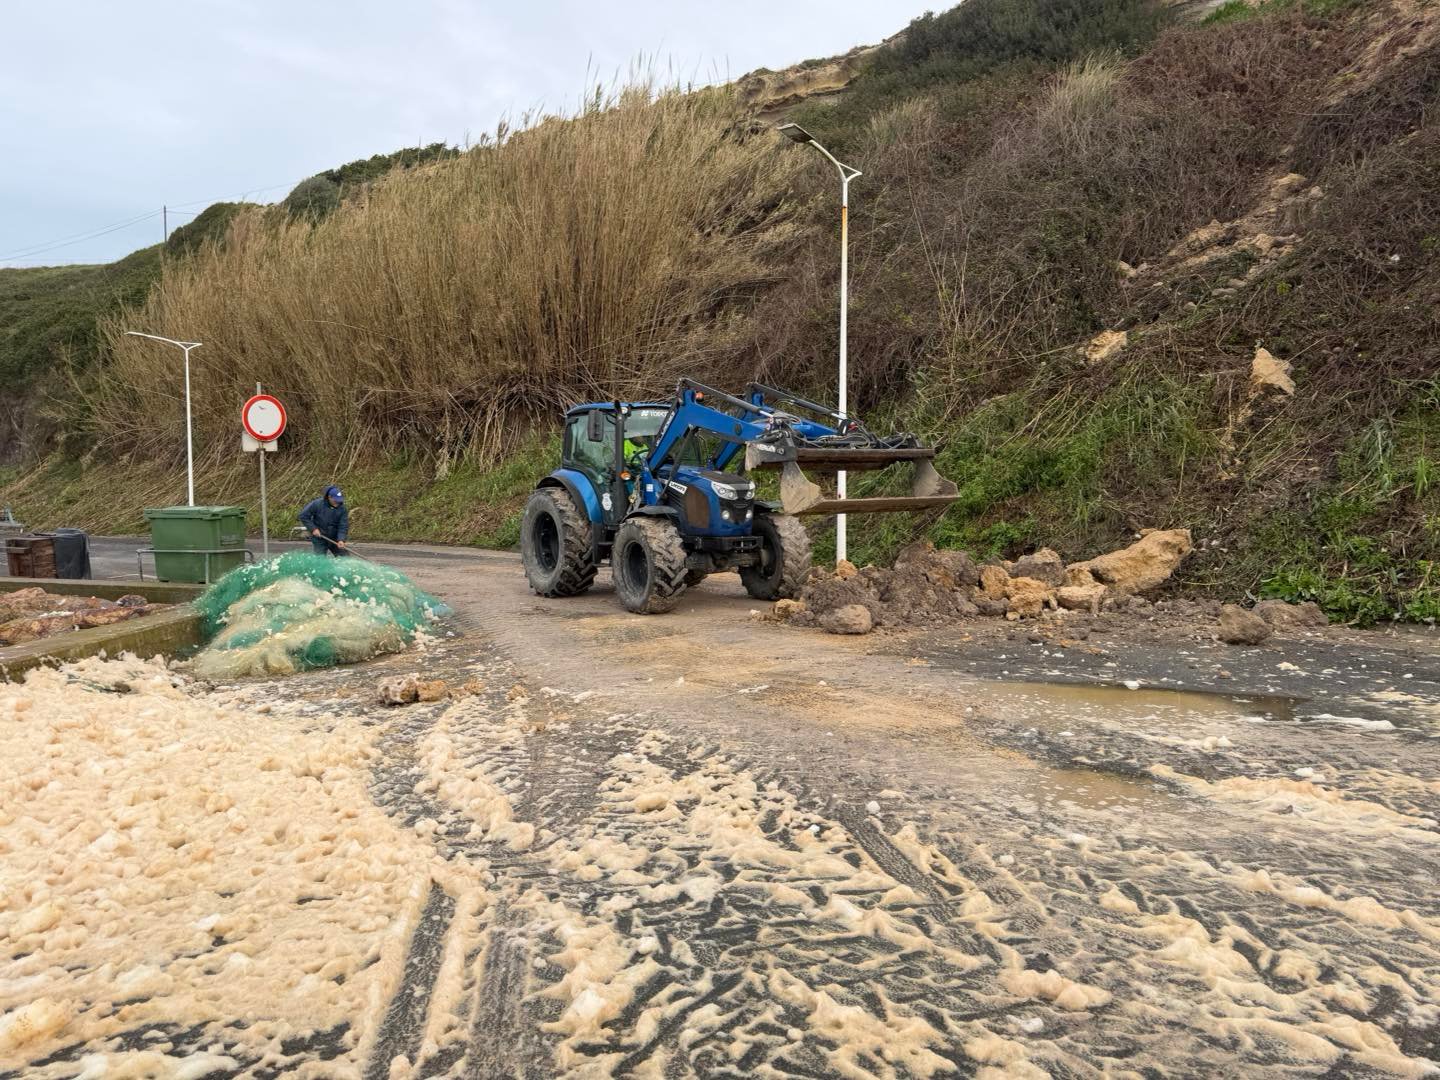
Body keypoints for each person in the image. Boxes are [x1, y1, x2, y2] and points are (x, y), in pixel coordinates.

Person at [299, 485, 350, 556]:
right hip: (319, 537)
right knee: (320, 559)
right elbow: (303, 516)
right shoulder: (317, 504)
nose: (337, 502)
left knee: (345, 558)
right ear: (329, 497)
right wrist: (313, 529)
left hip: (334, 538)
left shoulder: (342, 509)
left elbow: (343, 526)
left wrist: (341, 539)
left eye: (339, 500)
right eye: (335, 500)